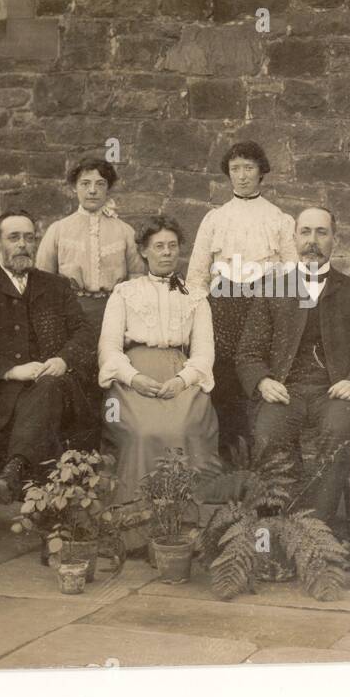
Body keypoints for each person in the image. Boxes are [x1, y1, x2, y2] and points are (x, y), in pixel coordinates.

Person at [235, 207, 350, 528]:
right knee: (268, 432)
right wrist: (262, 382)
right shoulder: (273, 287)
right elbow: (248, 352)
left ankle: (317, 528)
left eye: (321, 233)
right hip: (284, 391)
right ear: (294, 238)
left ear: (335, 239)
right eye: (305, 232)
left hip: (333, 391)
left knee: (339, 430)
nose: (312, 241)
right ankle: (274, 525)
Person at [0, 210, 99, 505]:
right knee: (45, 395)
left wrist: (63, 360)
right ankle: (39, 499)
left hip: (57, 388)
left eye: (29, 238)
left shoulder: (56, 286)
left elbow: (84, 333)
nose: (22, 245)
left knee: (49, 386)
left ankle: (15, 469)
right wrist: (12, 370)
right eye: (14, 237)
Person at [98, 215, 221, 520]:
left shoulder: (195, 296)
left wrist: (183, 380)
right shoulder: (125, 292)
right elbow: (109, 349)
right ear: (143, 251)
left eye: (172, 246)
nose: (167, 252)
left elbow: (204, 353)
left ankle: (182, 524)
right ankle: (137, 525)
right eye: (159, 246)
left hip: (181, 375)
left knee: (182, 429)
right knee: (144, 431)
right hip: (133, 376)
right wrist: (133, 377)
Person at [186, 141, 299, 458]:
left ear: (261, 172)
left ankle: (265, 461)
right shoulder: (214, 219)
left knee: (261, 380)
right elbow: (197, 276)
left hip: (263, 307)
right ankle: (228, 462)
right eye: (235, 169)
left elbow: (292, 276)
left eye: (249, 168)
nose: (242, 176)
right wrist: (204, 314)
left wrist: (278, 314)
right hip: (222, 308)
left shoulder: (279, 219)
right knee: (225, 384)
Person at [35, 156, 144, 329]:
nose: (92, 190)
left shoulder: (125, 231)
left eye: (100, 184)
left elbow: (137, 276)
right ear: (74, 187)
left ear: (108, 188)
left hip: (114, 311)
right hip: (70, 312)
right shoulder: (58, 230)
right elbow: (43, 279)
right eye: (85, 183)